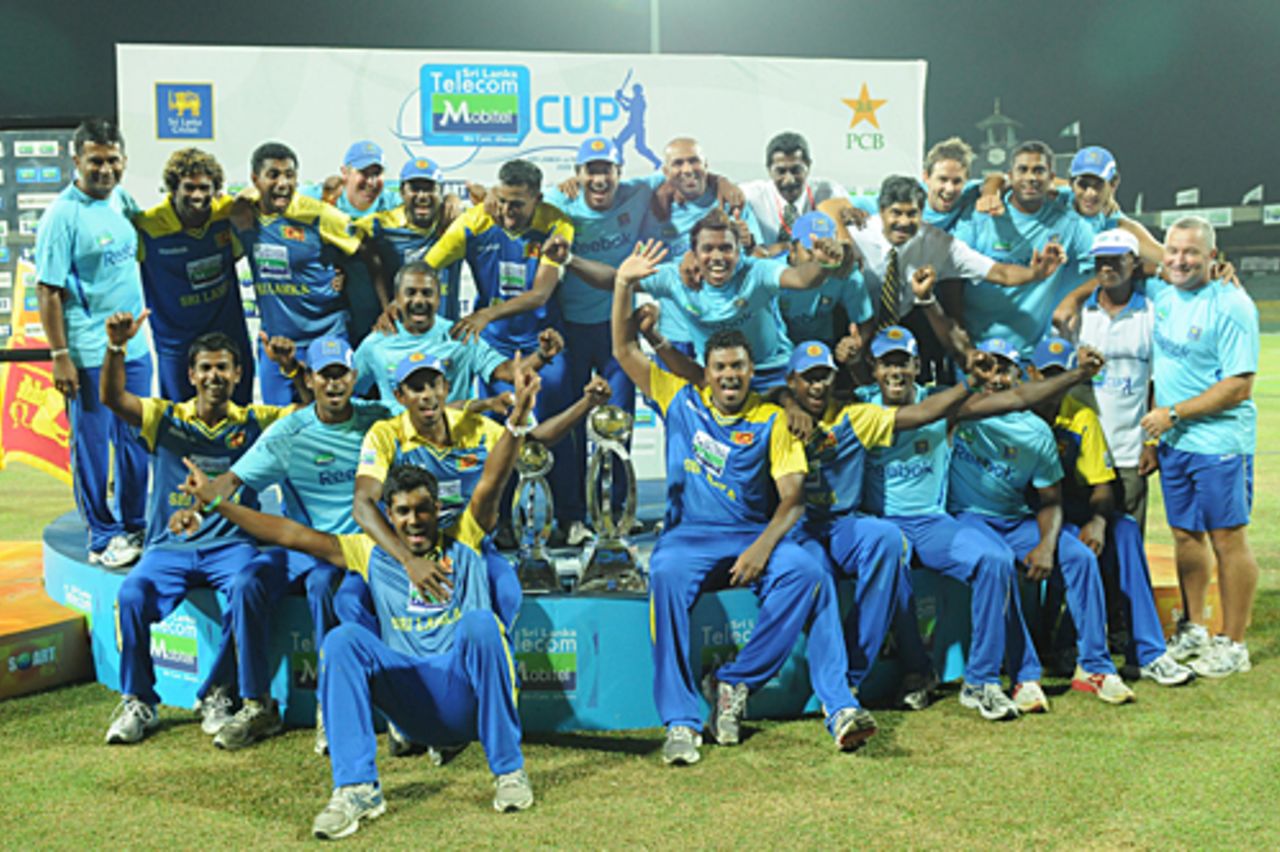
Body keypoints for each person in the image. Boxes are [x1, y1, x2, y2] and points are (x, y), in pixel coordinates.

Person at [180, 358, 544, 837]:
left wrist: (517, 419)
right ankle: (356, 789)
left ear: (439, 509)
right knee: (344, 639)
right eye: (403, 513)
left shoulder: (466, 535)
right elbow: (290, 532)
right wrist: (217, 503)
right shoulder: (369, 552)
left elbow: (493, 481)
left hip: (464, 694)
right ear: (388, 516)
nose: (414, 521)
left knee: (481, 625)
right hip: (409, 701)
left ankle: (509, 771)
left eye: (423, 511)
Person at [612, 241, 867, 762]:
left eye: (740, 368)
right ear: (706, 372)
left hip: (755, 533)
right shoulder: (680, 400)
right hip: (689, 537)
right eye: (721, 367)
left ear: (754, 372)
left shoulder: (772, 419)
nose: (730, 376)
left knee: (809, 572)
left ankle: (820, 701)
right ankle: (682, 721)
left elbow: (793, 499)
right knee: (663, 574)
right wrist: (623, 284)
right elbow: (623, 351)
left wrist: (760, 549)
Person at [854, 325, 1113, 718]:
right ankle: (914, 673)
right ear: (873, 369)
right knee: (891, 553)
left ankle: (981, 681)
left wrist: (1079, 375)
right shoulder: (859, 405)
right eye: (886, 363)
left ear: (917, 366)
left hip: (930, 523)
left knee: (994, 560)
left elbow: (1018, 397)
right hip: (879, 524)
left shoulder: (942, 404)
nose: (895, 372)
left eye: (902, 363)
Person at [186, 335, 393, 751]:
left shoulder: (379, 419)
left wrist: (493, 409)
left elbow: (432, 413)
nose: (334, 384)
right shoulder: (290, 431)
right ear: (311, 379)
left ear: (353, 377)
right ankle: (257, 703)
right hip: (300, 547)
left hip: (351, 550)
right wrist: (200, 506)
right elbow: (234, 480)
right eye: (325, 375)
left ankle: (328, 709)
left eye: (341, 375)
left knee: (323, 588)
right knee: (248, 582)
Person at [100, 313, 288, 747]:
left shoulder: (254, 421)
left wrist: (292, 369)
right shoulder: (165, 417)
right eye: (205, 367)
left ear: (239, 374)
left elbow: (309, 411)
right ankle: (139, 702)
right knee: (130, 596)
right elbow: (111, 396)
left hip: (231, 545)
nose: (214, 376)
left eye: (223, 367)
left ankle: (219, 693)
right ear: (191, 374)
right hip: (169, 548)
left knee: (246, 588)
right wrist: (115, 348)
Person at [352, 351, 610, 624]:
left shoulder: (476, 429)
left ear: (446, 388)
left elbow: (536, 440)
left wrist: (587, 403)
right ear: (399, 396)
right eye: (416, 388)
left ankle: (497, 657)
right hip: (408, 546)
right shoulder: (385, 435)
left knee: (507, 593)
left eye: (434, 385)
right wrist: (407, 560)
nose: (427, 395)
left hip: (469, 543)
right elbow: (362, 504)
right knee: (350, 599)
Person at [947, 338, 1135, 704]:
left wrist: (1047, 545)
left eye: (1006, 370)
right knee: (997, 562)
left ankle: (1095, 666)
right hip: (967, 518)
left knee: (1079, 557)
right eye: (991, 369)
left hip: (1014, 519)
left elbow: (1051, 499)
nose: (998, 379)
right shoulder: (962, 408)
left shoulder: (1037, 433)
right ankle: (1024, 675)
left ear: (1020, 375)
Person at [424, 158, 578, 535]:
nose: (508, 211)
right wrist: (396, 304)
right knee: (497, 432)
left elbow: (541, 293)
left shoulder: (557, 224)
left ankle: (571, 519)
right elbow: (427, 267)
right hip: (496, 348)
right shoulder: (476, 220)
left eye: (518, 204)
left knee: (557, 430)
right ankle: (500, 520)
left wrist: (486, 315)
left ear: (537, 199)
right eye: (503, 200)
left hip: (544, 343)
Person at [1027, 337, 1193, 686]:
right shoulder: (1017, 415)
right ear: (1031, 373)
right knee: (1078, 549)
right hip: (1035, 516)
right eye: (1047, 375)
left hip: (1074, 510)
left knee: (1127, 529)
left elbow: (1102, 485)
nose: (1056, 383)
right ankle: (1067, 645)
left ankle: (1147, 652)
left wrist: (1100, 522)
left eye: (1063, 374)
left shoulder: (1081, 415)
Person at [1138, 217, 1259, 678]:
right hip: (1176, 440)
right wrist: (1160, 432)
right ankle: (1194, 626)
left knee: (1228, 538)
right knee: (1185, 535)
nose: (1179, 260)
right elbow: (1162, 369)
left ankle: (1234, 641)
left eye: (1191, 253)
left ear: (1213, 257)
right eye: (1172, 251)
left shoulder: (1232, 305)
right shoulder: (1162, 292)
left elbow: (1238, 386)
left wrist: (1173, 415)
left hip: (1218, 441)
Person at [35, 118, 153, 568]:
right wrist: (60, 356)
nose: (105, 170)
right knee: (91, 446)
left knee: (134, 441)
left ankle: (135, 525)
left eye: (113, 160)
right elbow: (49, 291)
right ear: (76, 160)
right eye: (96, 161)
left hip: (135, 351)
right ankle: (103, 537)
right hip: (86, 353)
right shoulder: (62, 216)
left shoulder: (121, 199)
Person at [821, 175, 1063, 382]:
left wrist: (1036, 273)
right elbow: (824, 207)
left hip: (904, 327)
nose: (904, 223)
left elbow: (999, 272)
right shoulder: (858, 234)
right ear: (881, 211)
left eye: (912, 214)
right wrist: (842, 242)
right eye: (896, 213)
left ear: (922, 212)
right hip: (851, 323)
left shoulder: (938, 243)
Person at [541, 137, 663, 545]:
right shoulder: (557, 206)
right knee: (571, 427)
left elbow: (685, 175)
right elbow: (509, 199)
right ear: (576, 175)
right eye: (589, 170)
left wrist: (720, 181)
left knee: (619, 425)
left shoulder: (638, 193)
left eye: (606, 169)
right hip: (571, 330)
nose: (598, 178)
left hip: (619, 330)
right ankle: (571, 518)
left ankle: (616, 517)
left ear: (619, 173)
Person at [628, 208, 842, 390]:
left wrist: (821, 265)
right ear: (693, 253)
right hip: (718, 378)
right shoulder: (676, 276)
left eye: (725, 248)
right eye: (708, 249)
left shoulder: (757, 272)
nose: (718, 257)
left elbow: (801, 279)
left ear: (738, 252)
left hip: (771, 369)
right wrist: (623, 275)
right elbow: (612, 281)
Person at [234, 141, 369, 404]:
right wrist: (239, 201)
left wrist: (353, 281)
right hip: (277, 344)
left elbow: (370, 253)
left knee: (329, 425)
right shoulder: (242, 217)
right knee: (280, 428)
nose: (283, 183)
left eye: (289, 175)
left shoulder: (318, 215)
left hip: (327, 336)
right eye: (273, 175)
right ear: (255, 179)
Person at [352, 262, 563, 413]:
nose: (419, 300)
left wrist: (542, 355)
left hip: (456, 449)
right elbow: (348, 391)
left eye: (427, 293)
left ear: (438, 297)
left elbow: (507, 372)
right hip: (401, 452)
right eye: (411, 293)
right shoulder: (376, 343)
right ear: (396, 299)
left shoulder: (461, 336)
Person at [950, 141, 1098, 357]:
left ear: (1051, 177)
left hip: (1033, 355)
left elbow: (1105, 267)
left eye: (1039, 170)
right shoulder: (980, 214)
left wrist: (1073, 299)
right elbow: (951, 274)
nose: (1031, 177)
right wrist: (960, 336)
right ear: (1010, 175)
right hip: (976, 348)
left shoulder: (1069, 223)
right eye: (1023, 170)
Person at [135, 147, 253, 406]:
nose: (197, 196)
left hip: (228, 334)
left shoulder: (226, 213)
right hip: (177, 343)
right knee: (180, 423)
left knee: (239, 416)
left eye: (205, 188)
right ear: (172, 189)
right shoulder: (147, 226)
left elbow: (259, 198)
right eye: (189, 188)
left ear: (216, 189)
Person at [641, 137, 762, 356]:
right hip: (676, 335)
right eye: (678, 163)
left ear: (706, 165)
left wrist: (750, 244)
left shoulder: (731, 202)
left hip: (727, 333)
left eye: (694, 161)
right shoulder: (653, 208)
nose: (687, 169)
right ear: (665, 172)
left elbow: (758, 257)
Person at [1071, 229, 1158, 530]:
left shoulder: (1150, 314)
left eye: (1116, 260)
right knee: (1084, 541)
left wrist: (1151, 443)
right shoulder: (1078, 313)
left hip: (1128, 450)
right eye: (1101, 260)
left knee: (1127, 537)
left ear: (1133, 263)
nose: (1107, 267)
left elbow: (1155, 384)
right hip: (1082, 451)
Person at [357, 157, 464, 320]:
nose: (422, 196)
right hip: (401, 331)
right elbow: (342, 231)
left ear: (440, 191)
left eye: (429, 189)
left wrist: (456, 199)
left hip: (446, 334)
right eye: (415, 189)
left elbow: (495, 217)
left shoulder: (456, 222)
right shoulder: (383, 225)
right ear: (401, 192)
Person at [741, 132, 850, 246]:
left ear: (808, 166)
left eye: (796, 170)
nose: (789, 180)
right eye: (781, 171)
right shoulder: (752, 195)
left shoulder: (830, 193)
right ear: (769, 170)